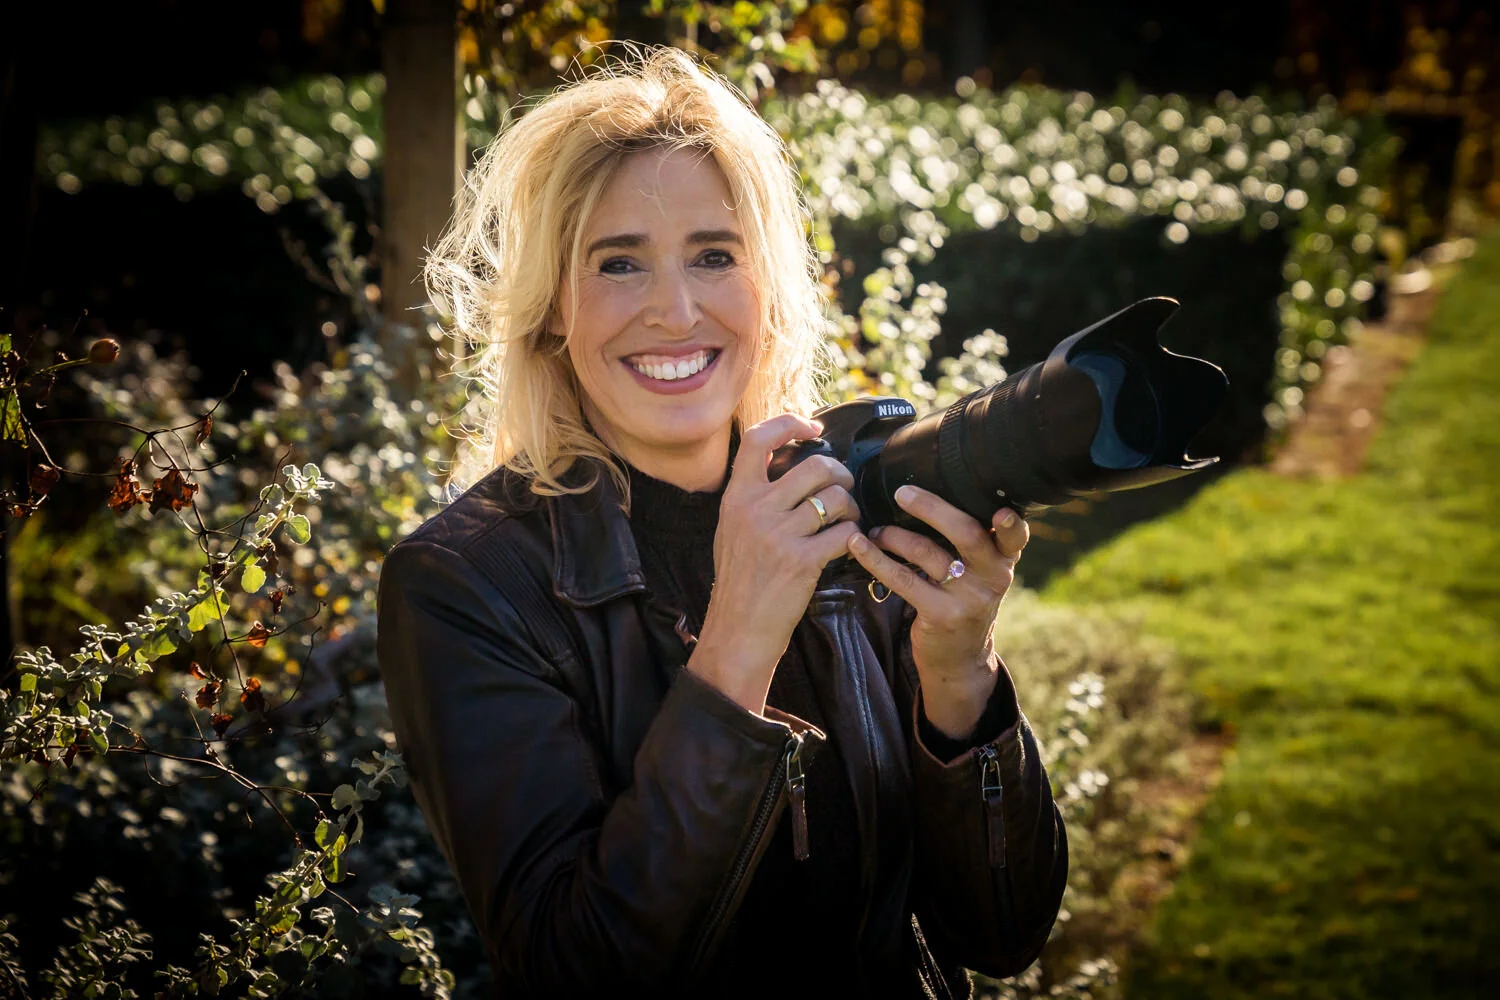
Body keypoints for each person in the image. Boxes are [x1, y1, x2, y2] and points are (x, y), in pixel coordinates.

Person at [376, 46, 1067, 1000]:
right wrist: (738, 637)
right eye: (618, 263)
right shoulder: (468, 583)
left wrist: (960, 679)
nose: (675, 309)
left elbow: (1000, 934)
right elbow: (576, 967)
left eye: (714, 255)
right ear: (548, 315)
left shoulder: (847, 507)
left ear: (768, 291)